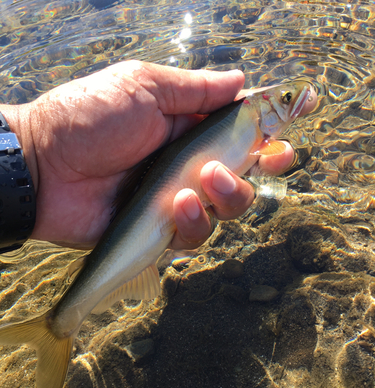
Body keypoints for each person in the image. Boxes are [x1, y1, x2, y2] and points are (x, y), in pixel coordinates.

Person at [0, 61, 314, 251]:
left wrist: (36, 148)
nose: (291, 100)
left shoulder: (257, 123)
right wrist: (35, 148)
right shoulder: (259, 125)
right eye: (286, 99)